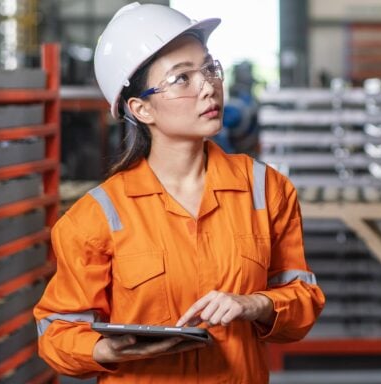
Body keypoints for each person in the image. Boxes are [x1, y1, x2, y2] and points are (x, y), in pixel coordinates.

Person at [34, 3, 324, 383]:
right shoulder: (96, 217)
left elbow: (302, 305)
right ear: (141, 109)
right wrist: (104, 348)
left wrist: (257, 303)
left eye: (209, 68)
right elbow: (57, 333)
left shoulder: (264, 190)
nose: (209, 86)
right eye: (181, 78)